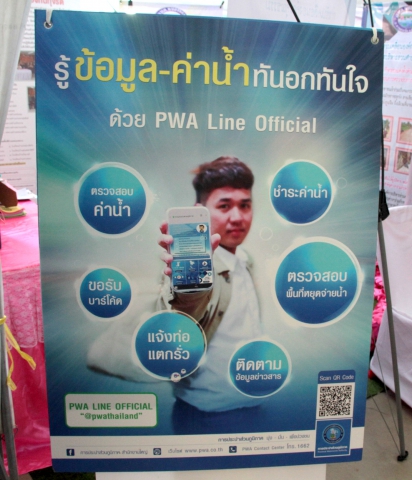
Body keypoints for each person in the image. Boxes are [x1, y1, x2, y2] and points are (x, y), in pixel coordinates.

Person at [158, 156, 266, 432]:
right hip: (206, 414)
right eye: (224, 206)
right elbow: (183, 310)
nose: (237, 217)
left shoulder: (246, 261)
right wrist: (186, 291)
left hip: (252, 404)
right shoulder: (192, 270)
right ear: (201, 212)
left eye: (245, 205)